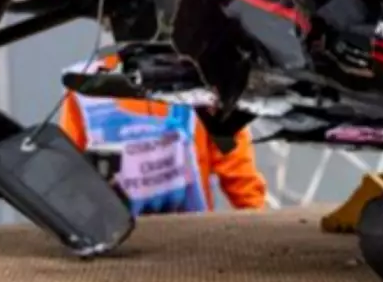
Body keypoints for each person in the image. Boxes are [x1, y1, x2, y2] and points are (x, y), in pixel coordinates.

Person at [60, 53, 268, 215]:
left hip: (119, 249)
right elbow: (242, 181)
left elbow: (68, 184)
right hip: (190, 251)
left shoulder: (86, 89)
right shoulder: (207, 85)